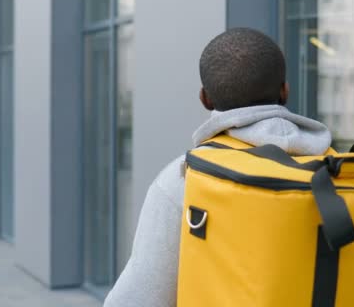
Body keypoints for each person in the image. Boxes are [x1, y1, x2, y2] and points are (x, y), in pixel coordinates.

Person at [103, 27, 332, 307]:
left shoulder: (184, 179)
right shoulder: (340, 171)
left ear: (205, 98)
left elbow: (137, 298)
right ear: (285, 90)